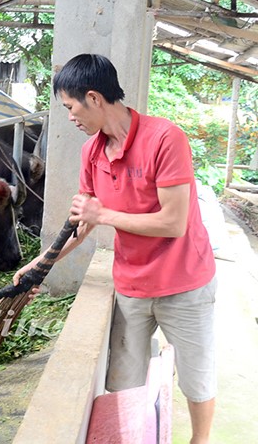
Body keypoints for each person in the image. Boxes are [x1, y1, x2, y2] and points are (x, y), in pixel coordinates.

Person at [14, 53, 216, 444]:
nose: (70, 118)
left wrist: (103, 213)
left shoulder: (164, 138)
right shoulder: (92, 152)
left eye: (70, 107)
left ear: (93, 98)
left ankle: (200, 440)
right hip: (131, 287)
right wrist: (40, 264)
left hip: (185, 284)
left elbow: (173, 222)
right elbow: (82, 223)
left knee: (197, 379)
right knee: (125, 382)